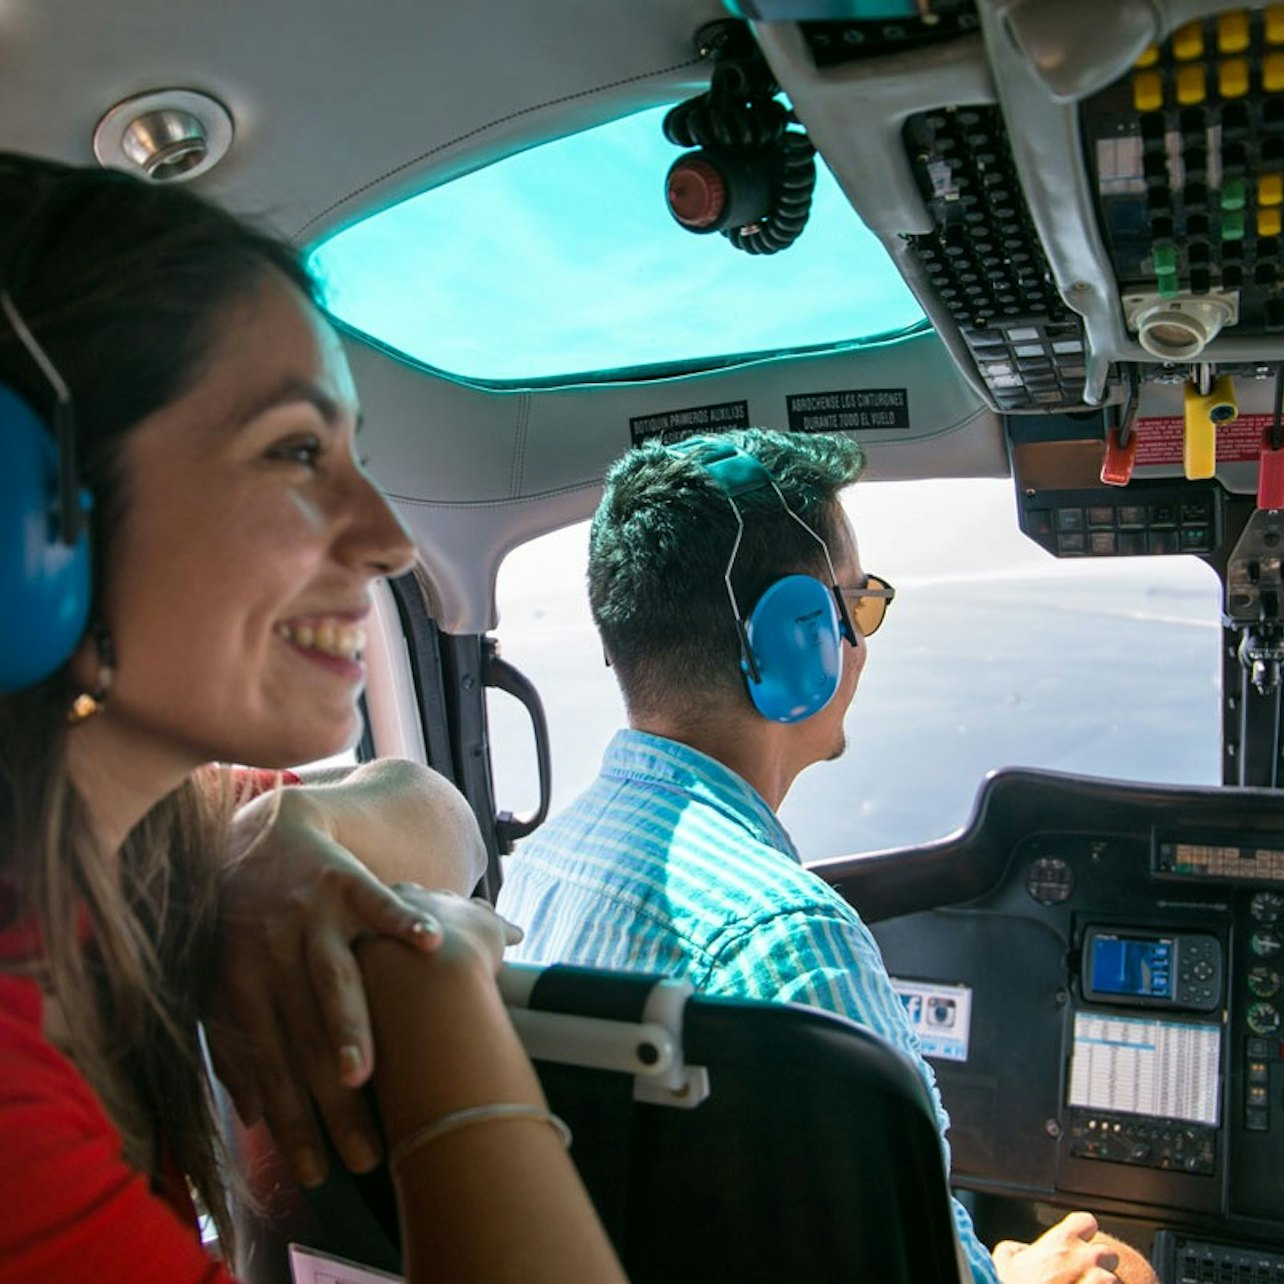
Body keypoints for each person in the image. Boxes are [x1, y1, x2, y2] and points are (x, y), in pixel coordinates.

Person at [0, 152, 625, 1284]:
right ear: (22, 514)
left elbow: (437, 813)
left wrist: (276, 845)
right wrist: (438, 1001)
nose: (385, 537)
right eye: (296, 451)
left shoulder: (126, 844)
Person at [497, 427, 1157, 1284]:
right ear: (795, 639)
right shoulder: (784, 937)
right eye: (857, 607)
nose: (863, 643)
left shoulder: (541, 865)